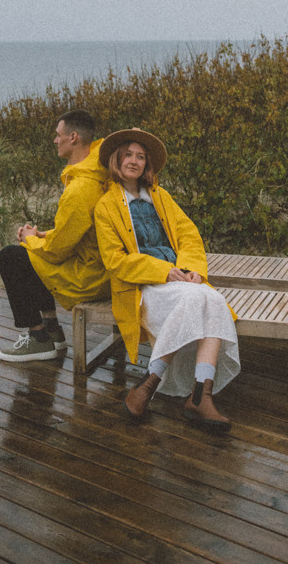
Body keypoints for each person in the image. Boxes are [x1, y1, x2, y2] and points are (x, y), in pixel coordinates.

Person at [94, 128, 239, 426]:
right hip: (142, 286)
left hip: (180, 281)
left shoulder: (161, 197)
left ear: (147, 164)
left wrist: (190, 270)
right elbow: (114, 260)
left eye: (141, 157)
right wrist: (163, 271)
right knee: (198, 298)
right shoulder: (106, 206)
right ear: (116, 160)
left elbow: (189, 235)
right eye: (128, 155)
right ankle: (188, 395)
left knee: (213, 297)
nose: (134, 161)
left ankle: (190, 392)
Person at [0, 109, 110, 362]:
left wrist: (30, 239)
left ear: (73, 137)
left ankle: (38, 339)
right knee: (30, 252)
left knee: (11, 257)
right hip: (102, 266)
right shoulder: (97, 172)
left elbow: (57, 252)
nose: (54, 140)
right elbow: (81, 232)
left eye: (58, 135)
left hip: (91, 277)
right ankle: (52, 330)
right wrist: (43, 235)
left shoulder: (81, 187)